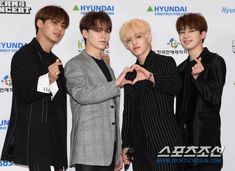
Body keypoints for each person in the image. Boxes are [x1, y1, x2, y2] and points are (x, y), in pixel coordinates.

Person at [1, 5, 69, 171]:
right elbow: (22, 94)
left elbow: (59, 100)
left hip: (55, 137)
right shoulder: (24, 55)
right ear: (39, 23)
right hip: (35, 138)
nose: (59, 29)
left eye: (63, 26)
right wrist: (48, 79)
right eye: (54, 23)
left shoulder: (56, 59)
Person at [64, 11, 131, 171]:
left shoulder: (108, 67)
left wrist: (117, 152)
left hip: (109, 152)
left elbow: (113, 113)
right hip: (88, 150)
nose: (104, 36)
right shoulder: (75, 64)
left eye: (107, 31)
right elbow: (81, 95)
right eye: (97, 30)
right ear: (85, 33)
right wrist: (114, 84)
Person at [119, 18, 183, 171]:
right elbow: (128, 113)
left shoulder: (165, 62)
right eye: (129, 40)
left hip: (165, 142)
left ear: (148, 36)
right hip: (140, 148)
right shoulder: (129, 74)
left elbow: (176, 87)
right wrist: (126, 144)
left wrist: (150, 77)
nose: (134, 42)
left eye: (138, 36)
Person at [175, 13, 226, 171]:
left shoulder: (214, 61)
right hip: (182, 148)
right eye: (182, 31)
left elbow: (214, 98)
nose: (186, 35)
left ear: (202, 34)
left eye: (191, 30)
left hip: (205, 146)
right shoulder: (181, 68)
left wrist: (198, 78)